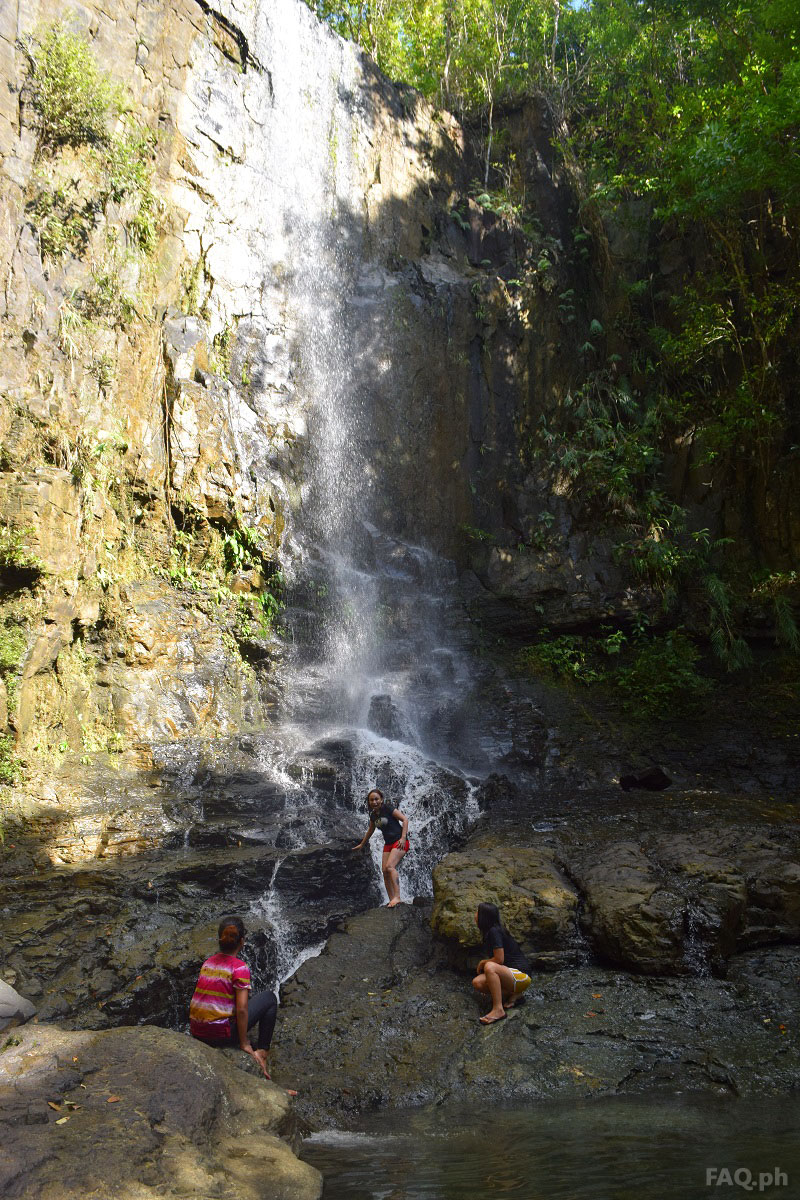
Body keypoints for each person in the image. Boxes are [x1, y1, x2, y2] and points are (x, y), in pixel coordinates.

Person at [189, 916, 277, 1078]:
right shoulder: (240, 968)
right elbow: (242, 1009)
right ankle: (262, 1052)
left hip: (197, 1031)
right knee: (269, 998)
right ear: (242, 941)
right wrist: (244, 1042)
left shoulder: (208, 963)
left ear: (219, 940)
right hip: (220, 1035)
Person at [472, 901, 531, 1025]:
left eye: (477, 912)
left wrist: (483, 962)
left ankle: (498, 1009)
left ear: (484, 917)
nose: (475, 914)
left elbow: (499, 960)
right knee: (477, 983)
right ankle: (516, 995)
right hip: (512, 976)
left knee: (489, 966)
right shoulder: (490, 932)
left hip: (521, 976)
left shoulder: (494, 931)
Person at [352, 788, 410, 907]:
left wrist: (403, 838)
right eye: (371, 800)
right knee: (384, 871)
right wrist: (362, 844)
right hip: (388, 844)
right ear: (369, 802)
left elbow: (405, 819)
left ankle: (397, 897)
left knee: (390, 867)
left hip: (399, 842)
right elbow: (371, 830)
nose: (374, 802)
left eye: (376, 799)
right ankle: (391, 899)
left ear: (381, 799)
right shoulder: (373, 815)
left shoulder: (388, 808)